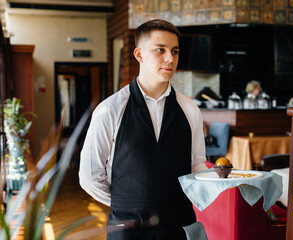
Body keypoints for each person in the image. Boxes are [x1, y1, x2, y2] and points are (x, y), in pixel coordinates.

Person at [78, 19, 208, 240]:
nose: (170, 58)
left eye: (175, 51)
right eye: (160, 50)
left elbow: (196, 165)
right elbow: (90, 177)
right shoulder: (109, 110)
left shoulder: (190, 109)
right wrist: (128, 202)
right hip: (127, 227)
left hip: (179, 225)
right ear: (139, 55)